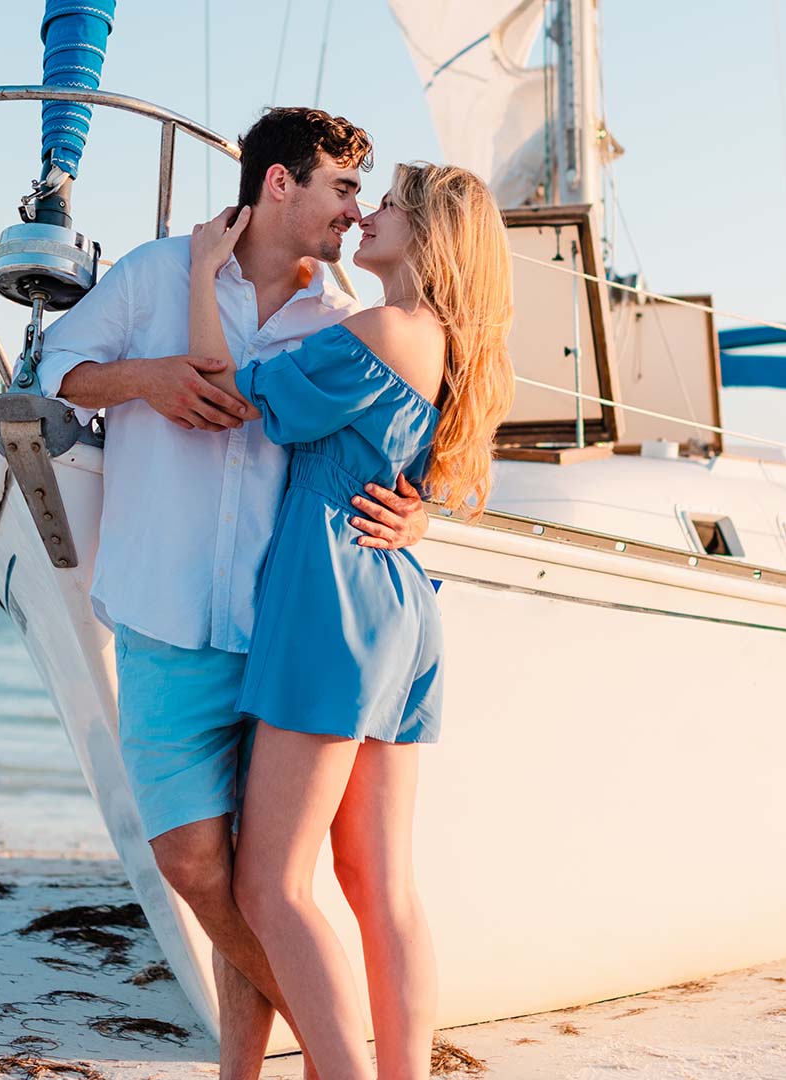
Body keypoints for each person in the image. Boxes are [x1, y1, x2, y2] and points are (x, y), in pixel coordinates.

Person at [37, 107, 431, 1078]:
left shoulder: (345, 318)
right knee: (194, 868)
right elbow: (59, 368)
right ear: (279, 184)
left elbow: (393, 444)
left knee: (267, 879)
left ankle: (251, 1070)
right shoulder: (152, 272)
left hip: (280, 633)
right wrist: (146, 380)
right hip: (161, 617)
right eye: (341, 188)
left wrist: (421, 512)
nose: (352, 211)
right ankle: (341, 1047)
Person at [184, 161, 515, 1077]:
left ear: (433, 235)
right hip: (398, 600)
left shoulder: (382, 328)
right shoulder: (443, 340)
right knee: (379, 887)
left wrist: (203, 279)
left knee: (269, 883)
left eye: (393, 205)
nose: (369, 213)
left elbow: (228, 395)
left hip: (331, 599)